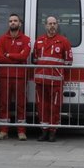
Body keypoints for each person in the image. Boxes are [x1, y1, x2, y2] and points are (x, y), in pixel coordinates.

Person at [32, 14, 73, 142]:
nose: (52, 26)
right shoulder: (38, 41)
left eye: (54, 23)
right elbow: (35, 59)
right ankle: (44, 130)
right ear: (45, 26)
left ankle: (52, 132)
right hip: (40, 81)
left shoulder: (64, 41)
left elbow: (68, 62)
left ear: (57, 25)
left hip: (56, 81)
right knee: (42, 106)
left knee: (55, 107)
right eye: (50, 24)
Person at [0, 14, 33, 139]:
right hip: (5, 76)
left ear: (20, 23)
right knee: (3, 103)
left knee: (21, 103)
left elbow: (24, 56)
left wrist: (8, 55)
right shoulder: (1, 39)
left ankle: (21, 131)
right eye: (10, 21)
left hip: (20, 76)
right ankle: (3, 130)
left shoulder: (26, 39)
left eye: (15, 21)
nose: (13, 23)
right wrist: (15, 57)